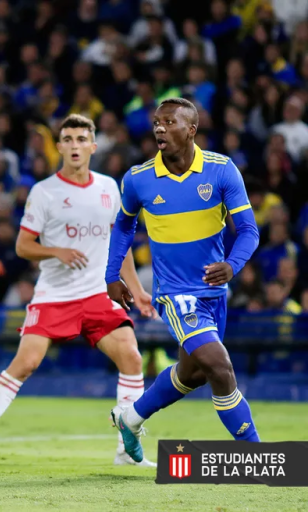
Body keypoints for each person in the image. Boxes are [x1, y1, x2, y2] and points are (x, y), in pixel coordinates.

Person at [0, 115, 157, 467]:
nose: (75, 145)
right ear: (59, 146)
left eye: (82, 139)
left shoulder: (109, 188)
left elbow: (118, 245)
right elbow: (22, 246)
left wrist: (136, 289)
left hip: (96, 293)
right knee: (26, 363)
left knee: (132, 357)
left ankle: (127, 452)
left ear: (93, 146)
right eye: (68, 139)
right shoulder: (45, 191)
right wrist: (56, 251)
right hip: (54, 295)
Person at [107, 98, 261, 464]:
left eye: (170, 122)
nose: (159, 128)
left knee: (193, 374)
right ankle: (256, 455)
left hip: (215, 292)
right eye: (157, 122)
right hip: (176, 294)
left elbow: (249, 231)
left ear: (191, 129)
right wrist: (112, 275)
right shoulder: (139, 178)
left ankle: (129, 418)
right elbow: (124, 225)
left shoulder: (222, 170)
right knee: (219, 366)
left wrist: (233, 264)